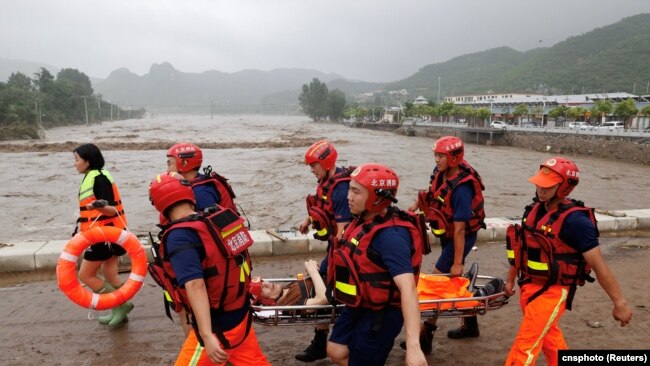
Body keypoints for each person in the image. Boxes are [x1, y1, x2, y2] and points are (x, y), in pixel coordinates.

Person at [504, 157, 633, 366]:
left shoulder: (576, 222)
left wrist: (620, 303)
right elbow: (520, 249)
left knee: (525, 346)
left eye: (547, 186)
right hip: (528, 286)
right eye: (539, 183)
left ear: (564, 187)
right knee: (549, 338)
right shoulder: (534, 210)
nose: (540, 189)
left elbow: (599, 266)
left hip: (552, 292)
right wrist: (510, 280)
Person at [149, 172, 269, 366]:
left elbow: (195, 285)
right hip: (239, 314)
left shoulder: (180, 236)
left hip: (217, 326)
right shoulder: (214, 219)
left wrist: (206, 336)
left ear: (159, 204)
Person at [327, 163, 427, 366]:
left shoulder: (391, 237)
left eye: (356, 192)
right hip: (358, 304)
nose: (348, 197)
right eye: (349, 189)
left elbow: (408, 288)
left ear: (377, 197)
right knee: (335, 350)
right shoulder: (363, 221)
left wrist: (413, 346)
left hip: (380, 315)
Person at [405, 135, 486, 353]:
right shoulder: (441, 173)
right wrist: (414, 206)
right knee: (452, 279)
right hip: (450, 234)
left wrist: (457, 262)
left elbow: (460, 228)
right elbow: (433, 194)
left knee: (437, 282)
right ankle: (470, 324)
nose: (437, 160)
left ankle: (426, 333)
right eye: (435, 155)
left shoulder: (462, 188)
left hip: (462, 237)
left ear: (453, 158)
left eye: (441, 156)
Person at [295, 140, 353, 362]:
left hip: (344, 250)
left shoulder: (340, 190)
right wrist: (308, 219)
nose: (311, 170)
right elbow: (321, 206)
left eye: (314, 165)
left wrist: (332, 265)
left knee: (325, 291)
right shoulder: (326, 181)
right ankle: (320, 342)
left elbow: (343, 231)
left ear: (327, 163)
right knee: (323, 288)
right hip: (335, 247)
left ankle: (324, 343)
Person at [73, 143, 132, 326]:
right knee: (110, 273)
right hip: (105, 233)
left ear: (88, 161)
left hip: (104, 236)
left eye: (76, 160)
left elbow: (111, 209)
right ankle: (120, 309)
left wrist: (98, 206)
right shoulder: (95, 176)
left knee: (85, 275)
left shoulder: (99, 178)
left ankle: (120, 304)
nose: (75, 164)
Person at [167, 142, 238, 213]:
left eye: (169, 164)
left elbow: (204, 222)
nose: (167, 170)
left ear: (184, 163)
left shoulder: (200, 192)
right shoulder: (201, 180)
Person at [249, 259, 328, 308]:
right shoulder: (290, 305)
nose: (266, 284)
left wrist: (311, 273)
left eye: (262, 281)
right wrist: (313, 271)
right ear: (265, 301)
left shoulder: (285, 289)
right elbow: (323, 299)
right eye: (262, 289)